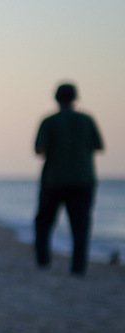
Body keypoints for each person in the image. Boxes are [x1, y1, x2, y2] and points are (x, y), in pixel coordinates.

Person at [34, 82, 103, 275]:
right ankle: (78, 267)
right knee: (80, 226)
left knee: (44, 222)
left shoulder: (49, 122)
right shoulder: (86, 120)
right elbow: (99, 146)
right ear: (75, 98)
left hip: (54, 180)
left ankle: (42, 261)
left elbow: (40, 149)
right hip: (82, 179)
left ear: (57, 98)